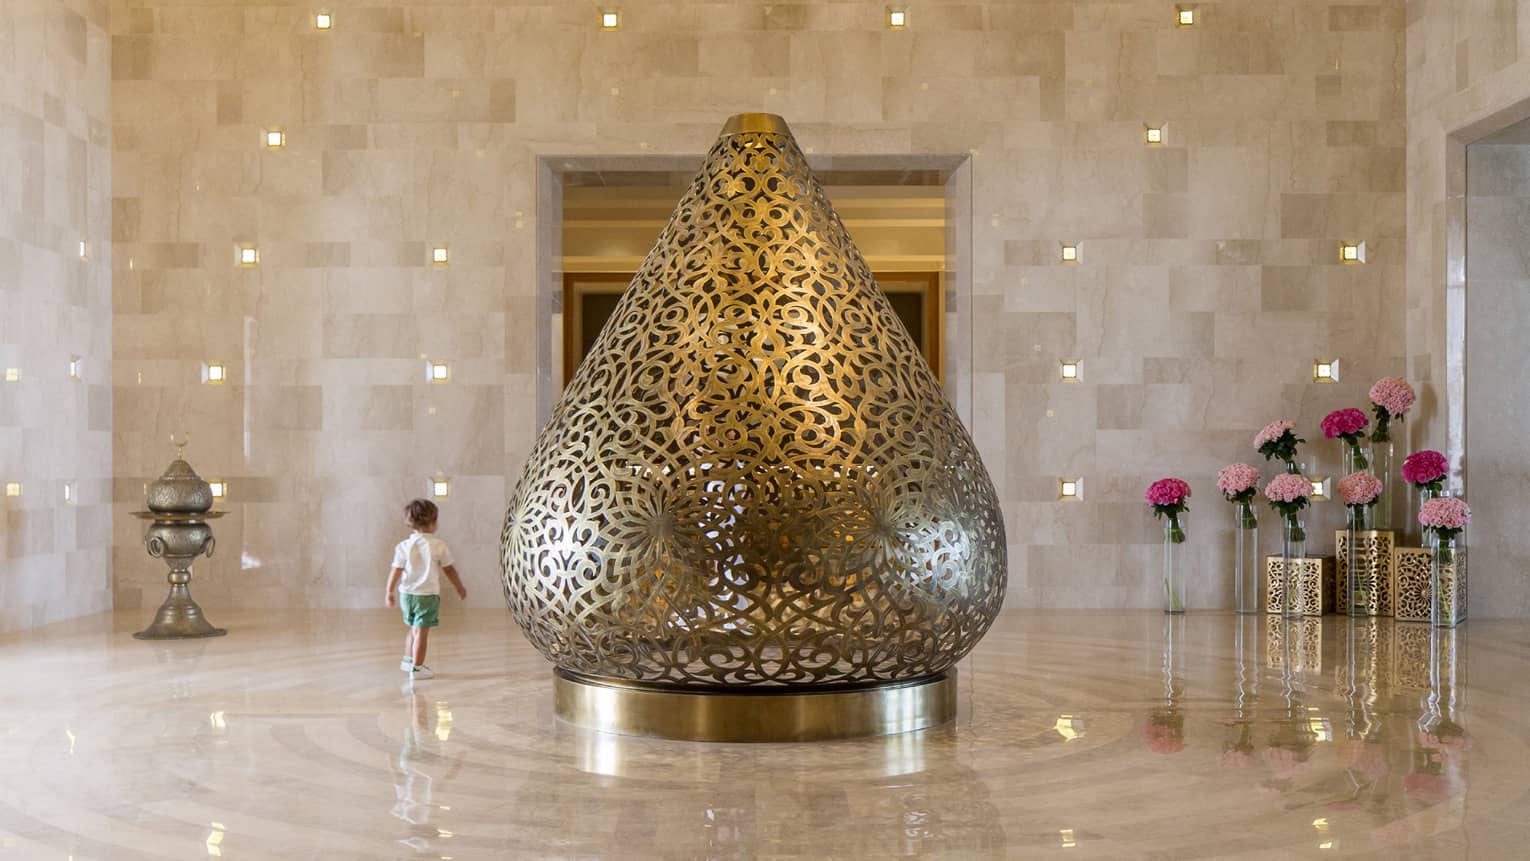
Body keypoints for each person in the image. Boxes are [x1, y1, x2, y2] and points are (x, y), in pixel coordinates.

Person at [385, 499, 466, 680]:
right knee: (421, 632)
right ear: (433, 522)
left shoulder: (403, 546)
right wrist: (459, 587)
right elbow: (449, 570)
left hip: (406, 595)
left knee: (413, 628)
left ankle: (408, 660)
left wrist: (389, 592)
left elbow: (395, 571)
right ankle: (417, 668)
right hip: (426, 596)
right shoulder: (438, 545)